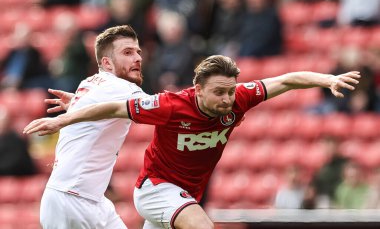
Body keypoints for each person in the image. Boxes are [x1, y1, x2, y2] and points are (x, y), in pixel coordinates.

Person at [24, 55, 360, 229]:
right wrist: (65, 118)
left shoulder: (240, 98)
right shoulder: (171, 105)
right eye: (219, 92)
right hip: (156, 188)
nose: (227, 99)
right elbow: (114, 107)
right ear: (198, 89)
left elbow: (286, 80)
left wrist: (327, 79)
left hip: (185, 193)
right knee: (201, 225)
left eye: (230, 90)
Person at [27, 25, 148, 228]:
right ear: (107, 63)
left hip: (91, 199)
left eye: (138, 52)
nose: (137, 58)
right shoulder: (122, 87)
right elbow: (161, 109)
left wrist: (76, 101)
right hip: (72, 199)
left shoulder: (90, 82)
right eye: (127, 52)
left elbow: (99, 107)